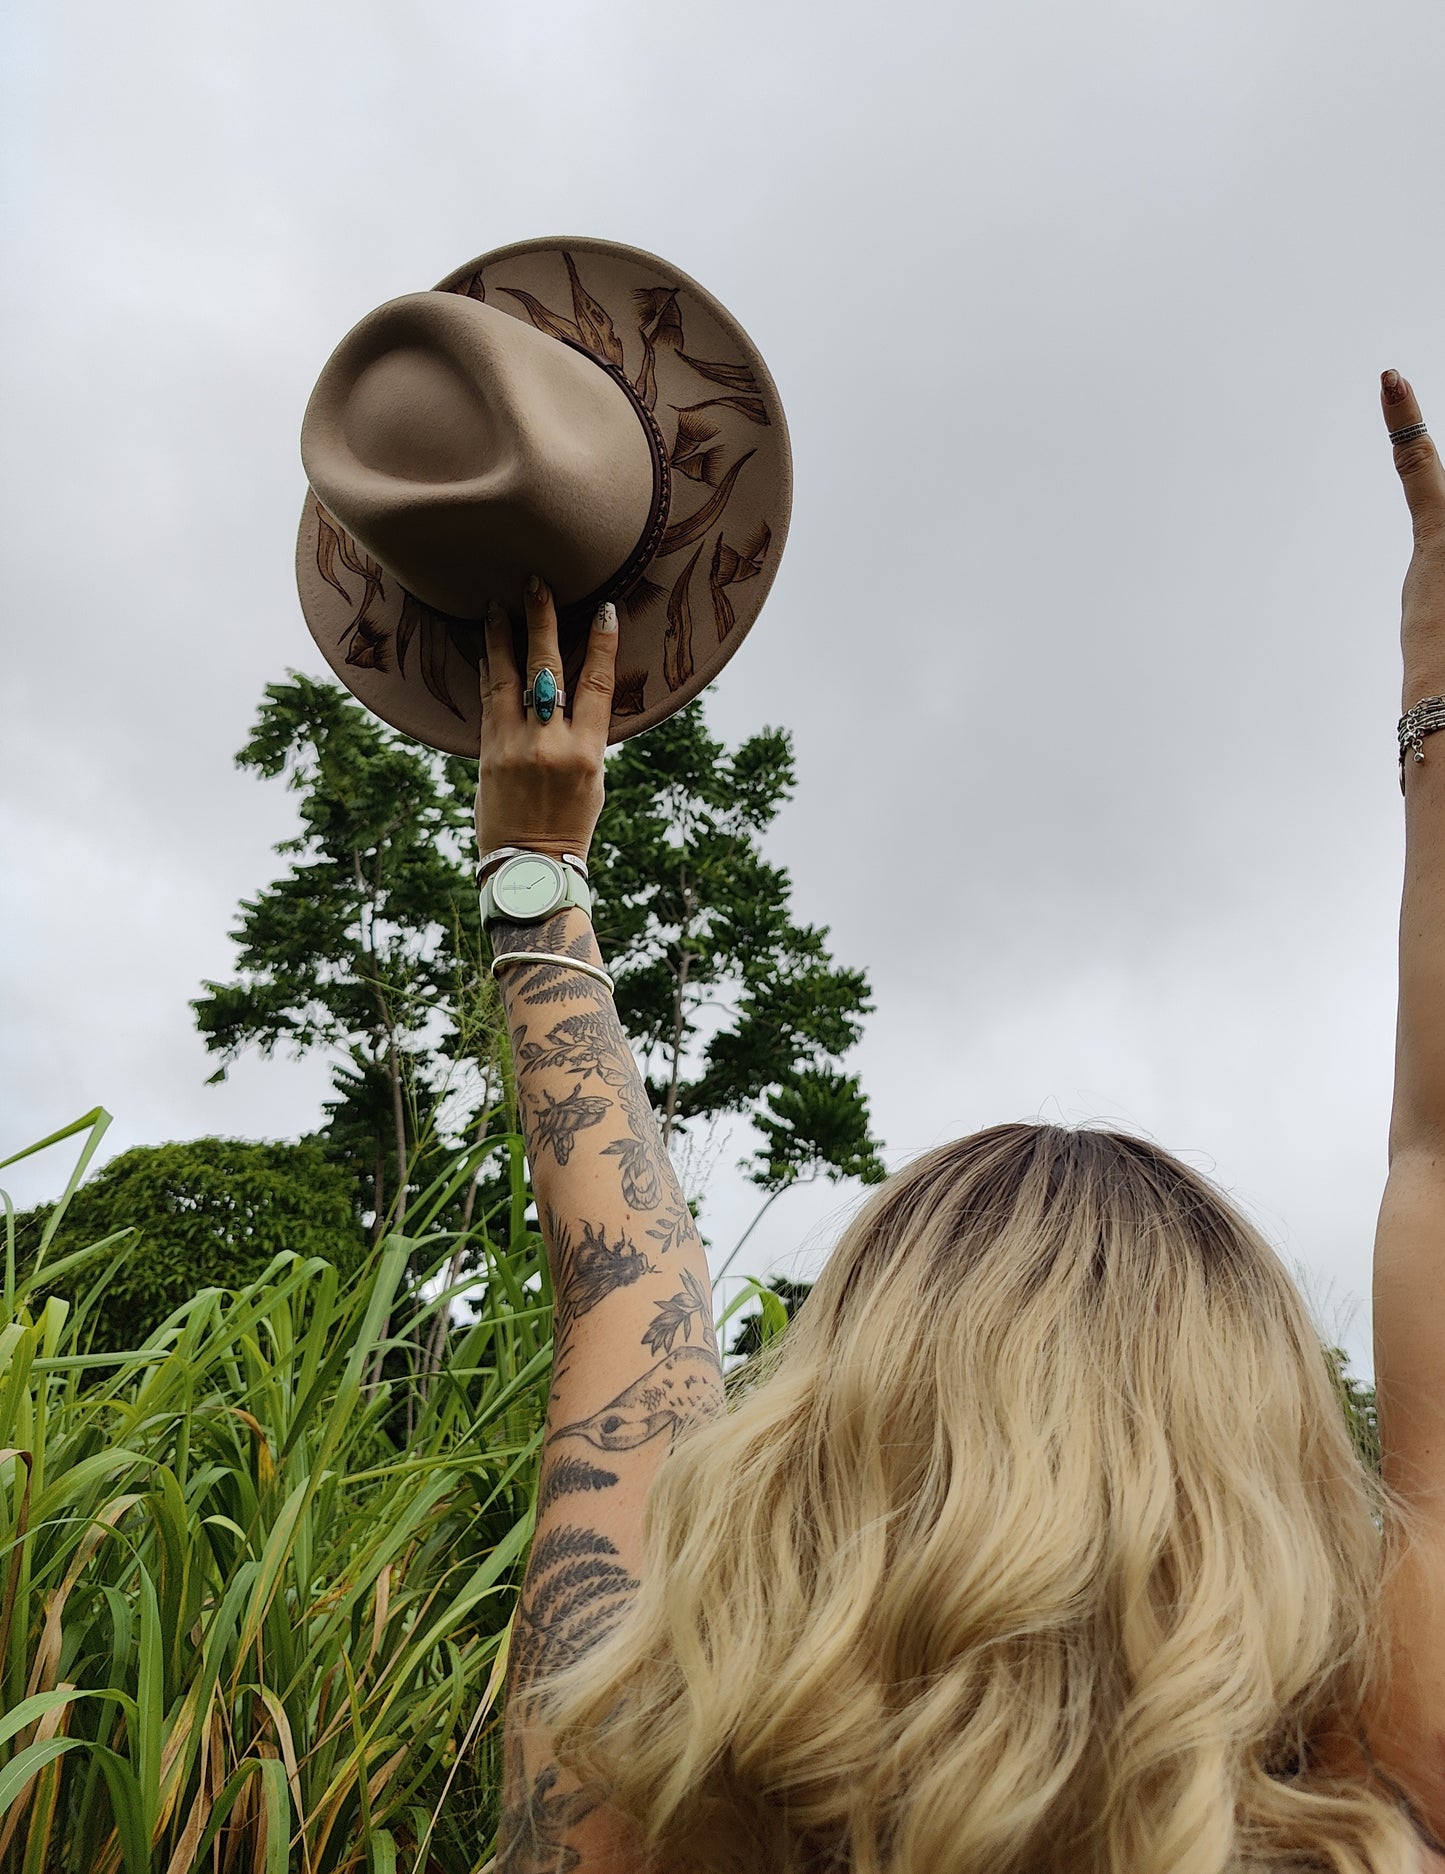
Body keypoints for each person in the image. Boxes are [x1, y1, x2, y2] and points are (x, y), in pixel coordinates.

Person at [475, 371, 1445, 1874]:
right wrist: (1434, 697)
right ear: (1262, 1491)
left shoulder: (626, 1793)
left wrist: (534, 870)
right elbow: (1434, 1163)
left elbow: (631, 1294)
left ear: (819, 1436)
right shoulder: (1374, 1806)